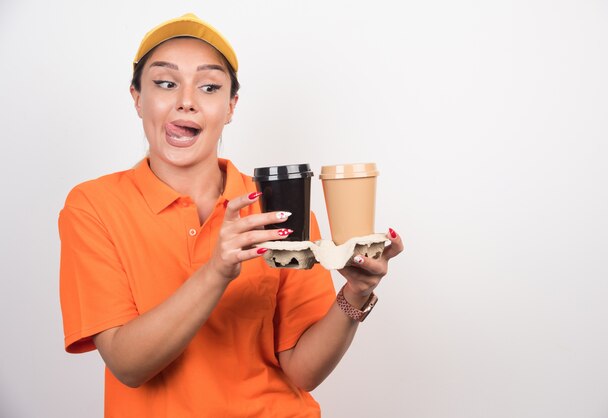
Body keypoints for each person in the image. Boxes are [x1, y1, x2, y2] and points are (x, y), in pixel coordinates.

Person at [59, 13, 403, 418]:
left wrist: (355, 294)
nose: (186, 100)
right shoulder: (94, 206)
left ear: (230, 107)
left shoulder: (277, 206)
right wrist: (217, 270)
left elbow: (301, 370)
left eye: (208, 87)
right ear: (137, 97)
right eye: (165, 83)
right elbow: (128, 364)